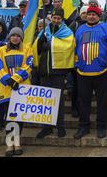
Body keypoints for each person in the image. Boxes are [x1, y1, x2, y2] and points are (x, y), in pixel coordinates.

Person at [74, 6, 107, 139]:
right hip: (83, 73)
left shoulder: (106, 28)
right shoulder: (80, 29)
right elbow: (75, 48)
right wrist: (76, 64)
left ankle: (101, 126)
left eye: (94, 14)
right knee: (84, 102)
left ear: (99, 16)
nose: (91, 16)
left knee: (101, 102)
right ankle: (84, 126)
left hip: (102, 72)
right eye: (89, 14)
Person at [35, 8, 75, 139]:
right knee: (46, 101)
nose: (56, 20)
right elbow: (37, 48)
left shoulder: (66, 32)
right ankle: (46, 127)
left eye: (59, 18)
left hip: (58, 72)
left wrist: (51, 44)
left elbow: (68, 47)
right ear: (51, 17)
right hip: (44, 71)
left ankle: (60, 126)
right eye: (54, 18)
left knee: (58, 100)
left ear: (62, 19)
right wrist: (41, 43)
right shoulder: (45, 31)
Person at [0, 27, 32, 156]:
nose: (15, 38)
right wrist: (8, 80)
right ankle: (9, 145)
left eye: (18, 36)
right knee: (10, 118)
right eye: (13, 35)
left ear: (21, 38)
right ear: (9, 37)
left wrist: (16, 79)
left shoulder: (27, 49)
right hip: (6, 90)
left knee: (19, 118)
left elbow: (28, 66)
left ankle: (17, 143)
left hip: (21, 89)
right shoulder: (1, 50)